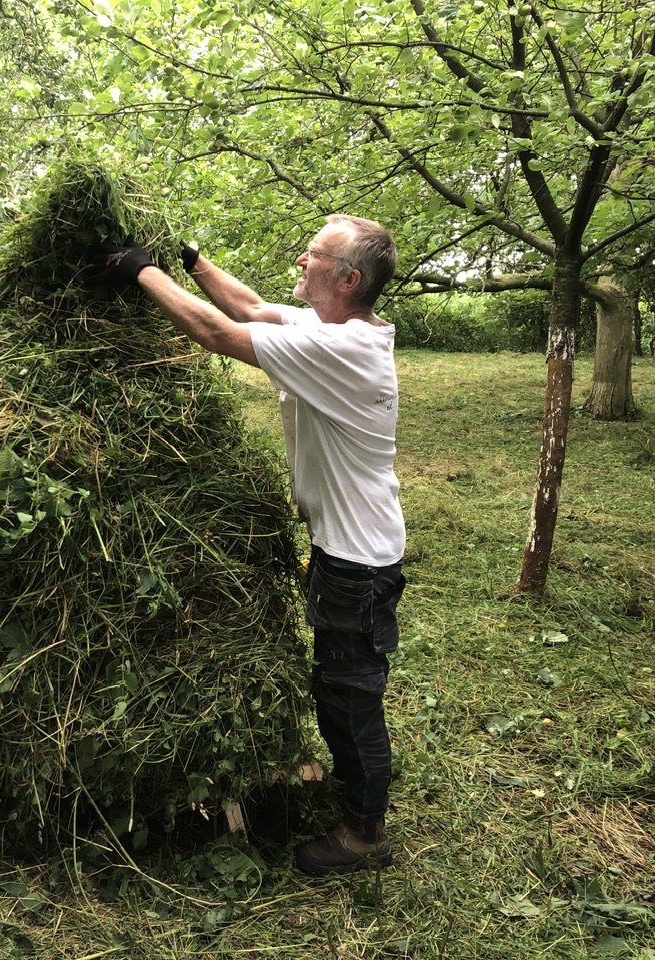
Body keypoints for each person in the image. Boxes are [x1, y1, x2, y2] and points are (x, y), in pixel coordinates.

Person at [90, 216, 407, 875]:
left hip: (357, 562)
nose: (300, 256)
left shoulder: (345, 352)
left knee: (349, 697)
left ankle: (365, 837)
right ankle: (359, 812)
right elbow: (253, 308)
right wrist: (193, 262)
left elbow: (217, 333)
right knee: (339, 688)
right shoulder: (336, 327)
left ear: (348, 278)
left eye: (313, 254)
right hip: (345, 549)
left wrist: (141, 272)